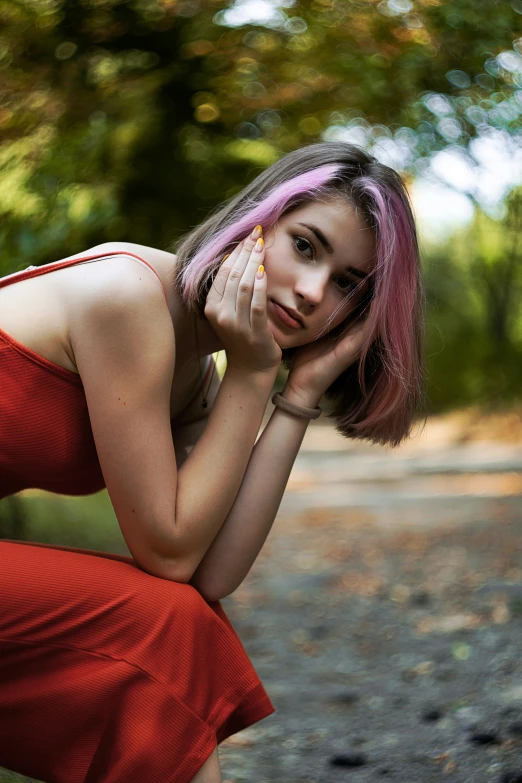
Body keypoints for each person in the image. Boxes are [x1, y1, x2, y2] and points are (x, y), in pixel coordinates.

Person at [0, 141, 424, 783]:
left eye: (347, 286)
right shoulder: (126, 298)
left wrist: (298, 393)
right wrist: (254, 374)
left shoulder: (192, 376)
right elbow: (167, 550)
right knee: (157, 626)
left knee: (179, 621)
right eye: (305, 246)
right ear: (257, 221)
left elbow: (206, 574)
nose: (311, 292)